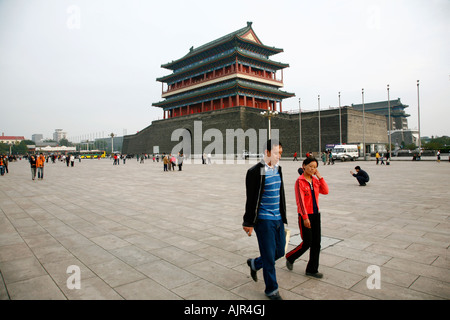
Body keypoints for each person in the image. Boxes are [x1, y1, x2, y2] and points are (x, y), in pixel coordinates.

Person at [243, 139, 287, 300]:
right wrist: (248, 222)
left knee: (280, 251)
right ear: (267, 153)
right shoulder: (256, 171)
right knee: (269, 257)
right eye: (276, 153)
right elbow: (251, 199)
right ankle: (271, 290)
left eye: (281, 153)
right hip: (264, 220)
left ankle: (255, 263)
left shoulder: (278, 169)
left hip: (278, 218)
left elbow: (280, 194)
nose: (279, 156)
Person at [285, 157, 329, 278]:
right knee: (307, 242)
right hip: (305, 216)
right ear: (304, 166)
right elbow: (300, 201)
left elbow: (325, 191)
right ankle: (290, 257)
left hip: (316, 215)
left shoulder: (315, 180)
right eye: (310, 166)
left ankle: (312, 269)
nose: (312, 169)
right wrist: (305, 217)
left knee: (317, 243)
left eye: (315, 167)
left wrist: (320, 177)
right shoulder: (300, 181)